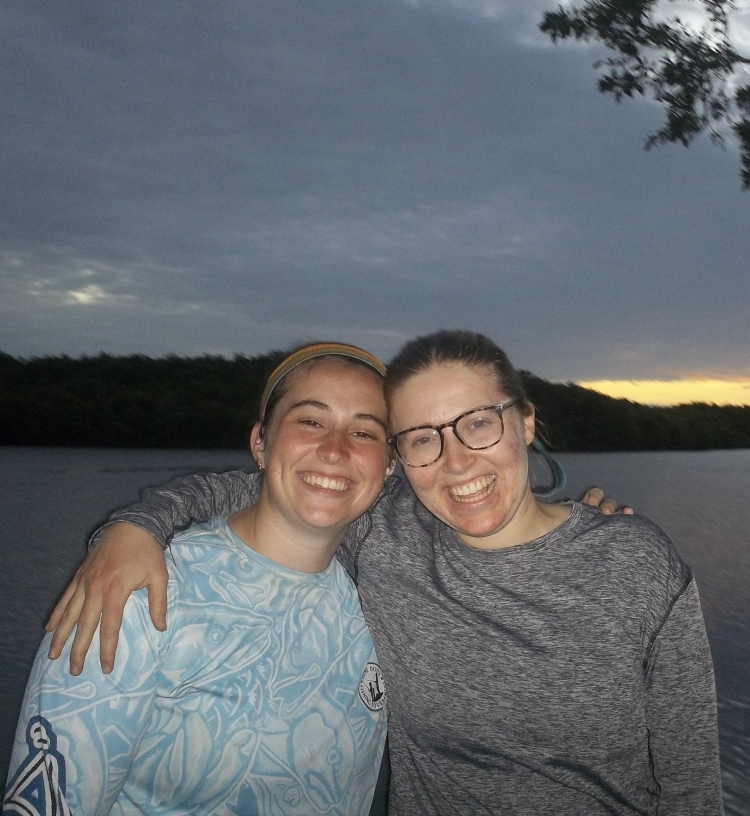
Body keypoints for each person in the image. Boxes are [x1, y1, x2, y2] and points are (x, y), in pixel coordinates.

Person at [41, 331, 723, 815]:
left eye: (478, 423)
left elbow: (693, 788)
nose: (456, 461)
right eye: (424, 435)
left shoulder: (636, 563)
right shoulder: (387, 536)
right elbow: (278, 485)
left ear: (525, 421)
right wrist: (134, 526)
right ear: (400, 458)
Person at [4, 344, 395, 816]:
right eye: (310, 421)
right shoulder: (138, 592)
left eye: (365, 432)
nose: (335, 449)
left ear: (389, 466)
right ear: (261, 443)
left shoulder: (382, 606)